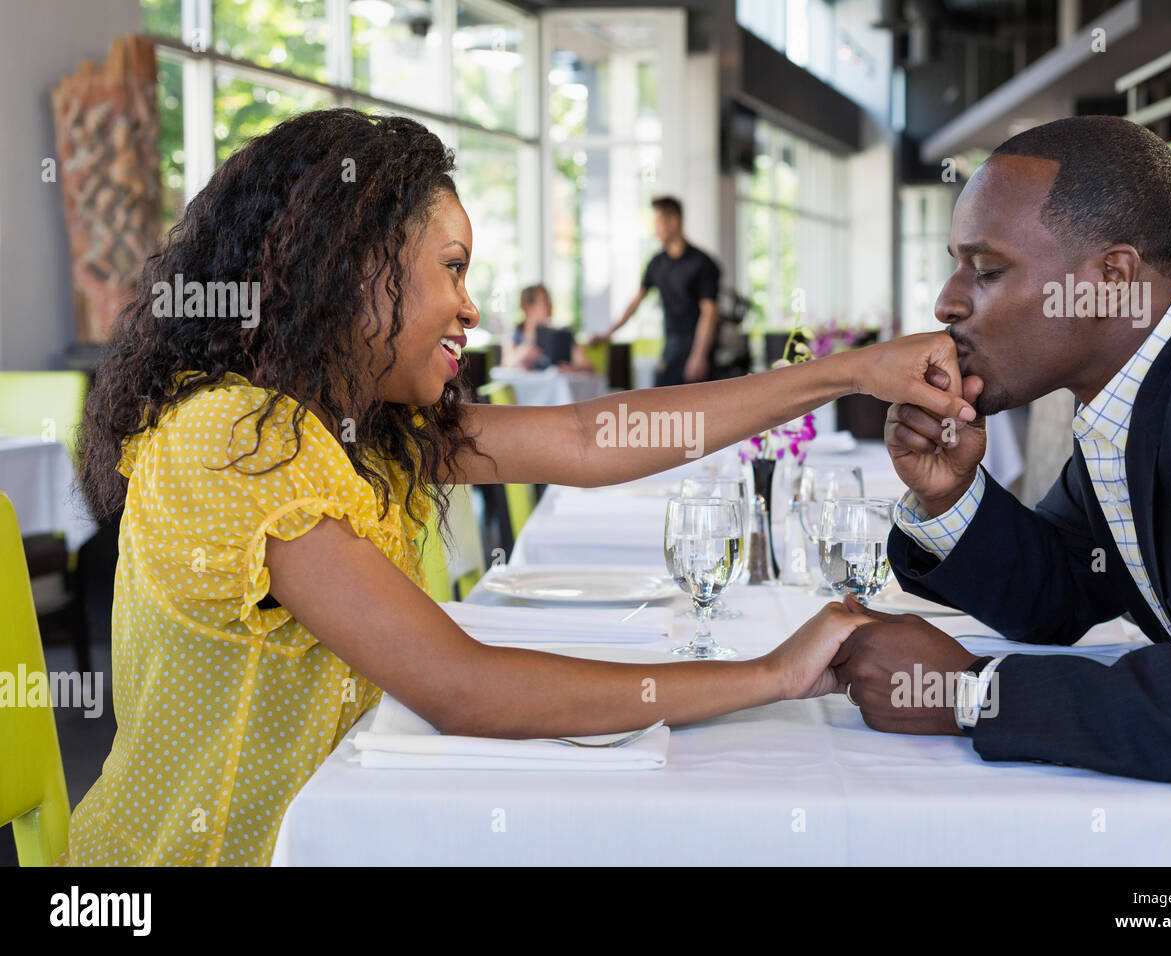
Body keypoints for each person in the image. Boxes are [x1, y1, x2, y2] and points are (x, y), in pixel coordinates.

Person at [64, 108, 977, 865]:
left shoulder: (360, 431)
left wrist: (844, 374)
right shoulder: (235, 438)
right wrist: (773, 674)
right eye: (452, 268)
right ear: (345, 268)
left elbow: (592, 436)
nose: (472, 306)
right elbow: (461, 687)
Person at [832, 115, 1171, 794]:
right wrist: (952, 495)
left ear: (1111, 277)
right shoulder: (1149, 379)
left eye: (987, 270)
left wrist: (971, 694)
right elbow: (1066, 591)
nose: (947, 301)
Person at [597, 196, 721, 385]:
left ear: (674, 221)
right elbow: (635, 303)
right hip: (671, 343)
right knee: (662, 405)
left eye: (658, 222)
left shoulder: (703, 263)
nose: (655, 229)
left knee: (696, 410)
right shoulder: (656, 263)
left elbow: (709, 313)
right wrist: (608, 333)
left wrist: (699, 355)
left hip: (697, 344)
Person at [502, 283, 593, 372]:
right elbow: (505, 365)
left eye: (549, 300)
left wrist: (569, 369)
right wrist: (525, 350)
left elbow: (587, 367)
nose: (550, 306)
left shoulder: (563, 336)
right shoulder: (515, 334)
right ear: (528, 308)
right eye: (544, 301)